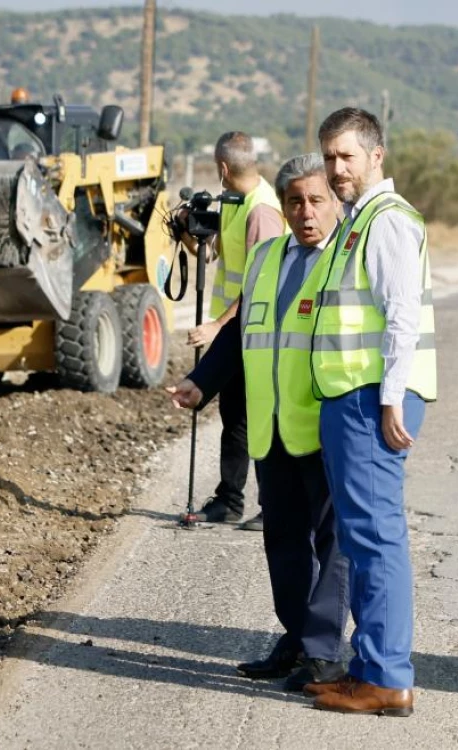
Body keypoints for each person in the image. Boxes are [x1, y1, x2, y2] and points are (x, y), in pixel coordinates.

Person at [167, 153, 350, 691]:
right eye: (295, 201)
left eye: (317, 200)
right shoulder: (269, 256)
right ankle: (296, 641)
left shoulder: (349, 257)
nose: (306, 212)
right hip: (273, 432)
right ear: (285, 204)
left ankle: (324, 653)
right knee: (284, 543)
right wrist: (203, 380)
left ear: (335, 202)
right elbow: (242, 329)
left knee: (331, 545)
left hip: (328, 429)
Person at [304, 108, 437, 716]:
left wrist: (389, 399)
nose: (335, 169)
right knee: (361, 542)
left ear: (375, 157)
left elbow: (402, 316)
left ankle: (386, 678)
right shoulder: (356, 223)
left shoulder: (386, 221)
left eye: (346, 157)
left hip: (369, 402)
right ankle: (367, 669)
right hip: (351, 401)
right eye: (329, 157)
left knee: (376, 541)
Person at [187, 131, 284, 529]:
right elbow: (214, 257)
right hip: (236, 332)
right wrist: (189, 233)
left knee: (259, 416)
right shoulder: (235, 201)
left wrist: (216, 327)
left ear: (223, 168)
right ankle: (230, 500)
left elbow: (261, 283)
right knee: (236, 416)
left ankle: (273, 506)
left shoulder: (262, 211)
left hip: (258, 330)